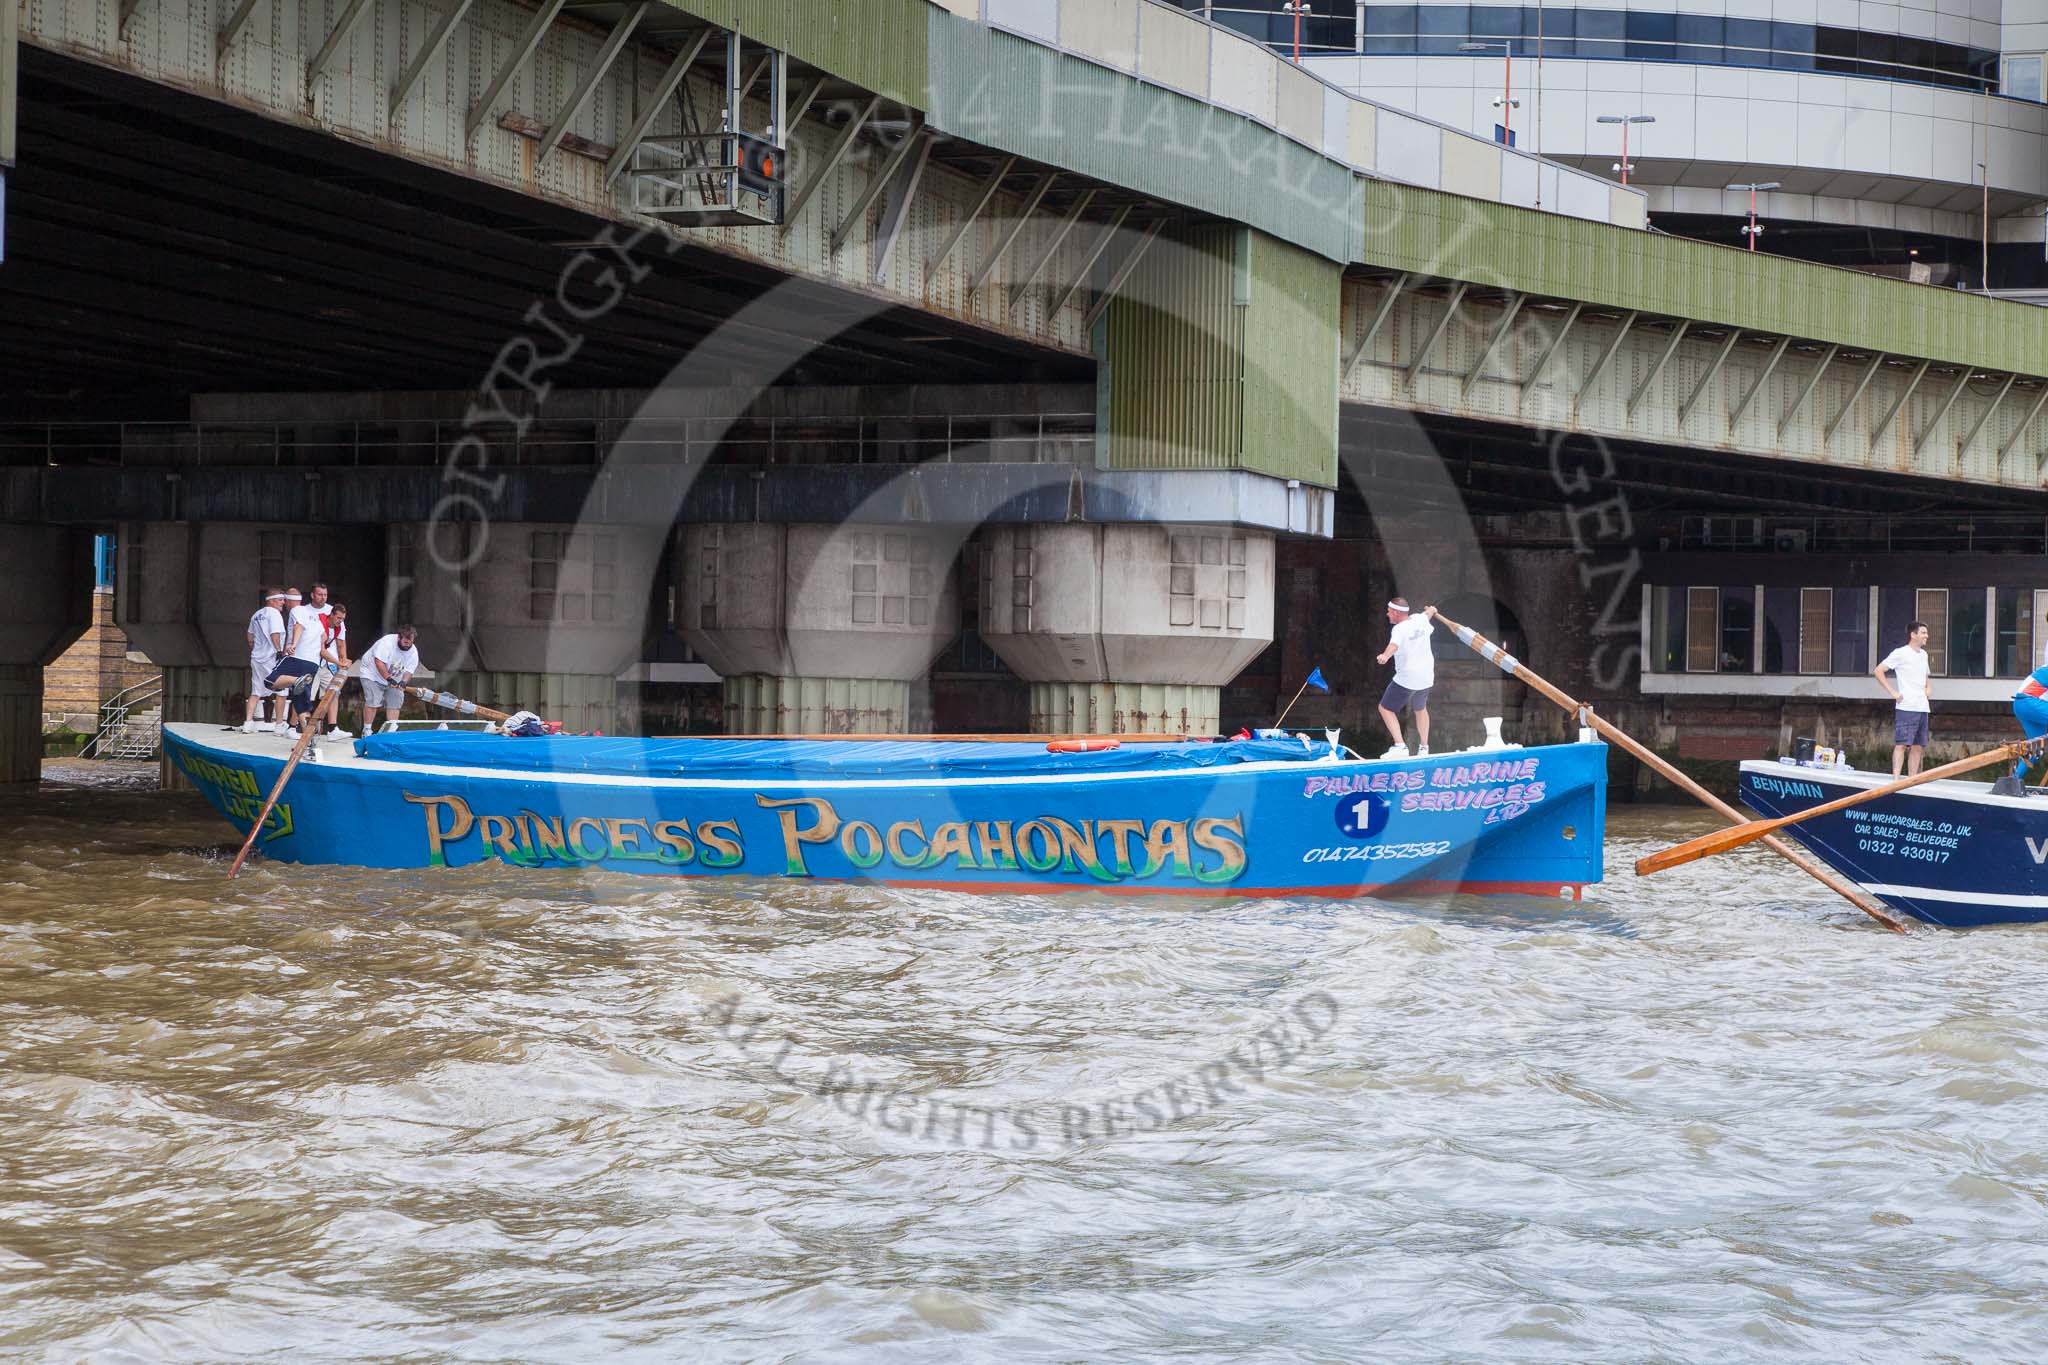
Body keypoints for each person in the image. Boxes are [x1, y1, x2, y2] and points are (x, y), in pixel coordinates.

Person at [1375, 598, 1436, 759]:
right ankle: (1424, 748)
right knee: (1420, 709)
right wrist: (1433, 610)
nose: (1387, 614)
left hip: (1408, 677)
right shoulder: (1419, 619)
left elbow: (1393, 646)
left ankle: (1400, 746)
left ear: (1395, 612)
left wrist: (1385, 656)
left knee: (1385, 708)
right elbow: (1429, 612)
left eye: (1388, 611)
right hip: (1426, 676)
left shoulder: (1399, 629)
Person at [1873, 621, 1932, 777]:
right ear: (1913, 635)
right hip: (1906, 706)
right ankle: (1896, 779)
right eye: (1923, 633)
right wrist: (1893, 692)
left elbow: (1925, 674)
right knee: (1902, 744)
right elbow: (1879, 671)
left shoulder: (1924, 655)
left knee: (1918, 746)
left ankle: (1912, 779)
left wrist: (1928, 687)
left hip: (1922, 707)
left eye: (1926, 633)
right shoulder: (1901, 653)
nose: (1927, 636)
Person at [358, 625, 419, 737]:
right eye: (405, 642)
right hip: (372, 673)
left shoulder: (413, 651)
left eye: (410, 642)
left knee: (395, 700)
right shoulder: (387, 642)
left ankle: (391, 732)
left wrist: (404, 682)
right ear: (399, 638)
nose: (408, 645)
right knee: (373, 700)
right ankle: (367, 730)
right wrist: (389, 679)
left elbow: (409, 671)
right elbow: (379, 662)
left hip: (395, 678)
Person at [242, 587, 288, 733]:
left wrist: (257, 648)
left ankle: (248, 723)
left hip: (256, 658)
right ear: (273, 601)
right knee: (282, 689)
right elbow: (275, 635)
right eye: (281, 600)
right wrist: (280, 652)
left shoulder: (256, 614)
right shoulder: (274, 614)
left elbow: (250, 637)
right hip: (271, 657)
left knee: (256, 691)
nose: (283, 603)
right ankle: (279, 724)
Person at [316, 602, 352, 739]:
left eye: (343, 619)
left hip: (327, 663)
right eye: (338, 618)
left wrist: (344, 660)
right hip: (314, 661)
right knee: (306, 693)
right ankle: (293, 726)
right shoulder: (320, 624)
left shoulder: (339, 627)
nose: (340, 621)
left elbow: (341, 644)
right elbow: (321, 650)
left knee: (333, 692)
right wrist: (339, 662)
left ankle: (332, 728)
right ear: (331, 615)